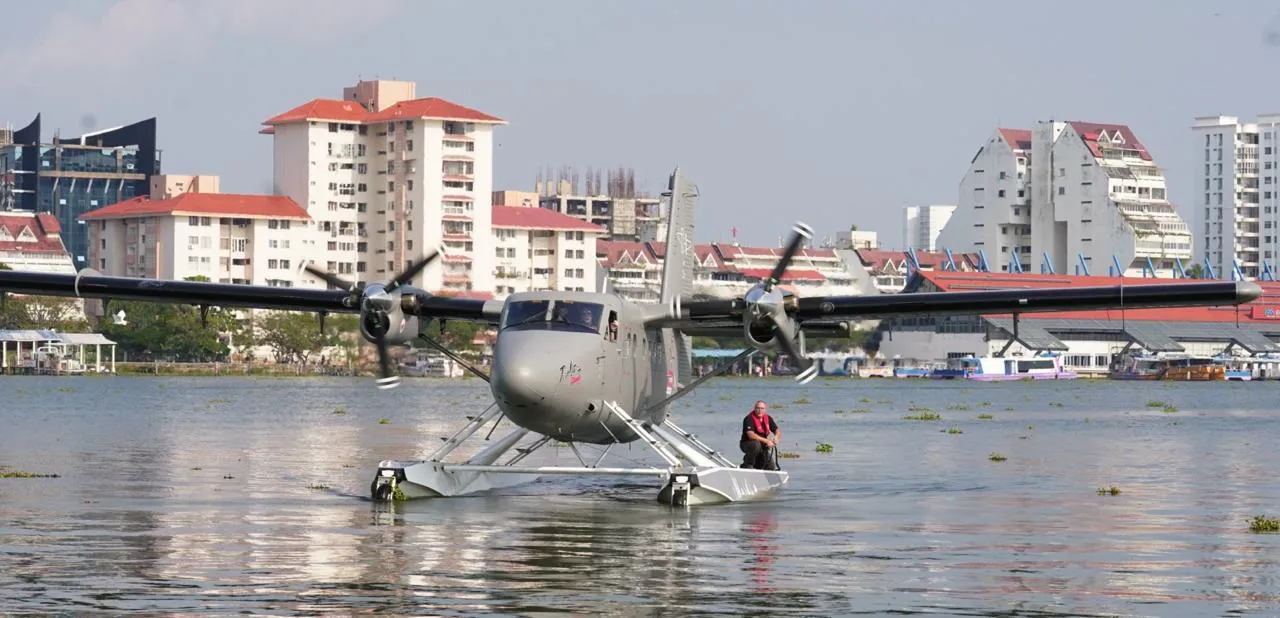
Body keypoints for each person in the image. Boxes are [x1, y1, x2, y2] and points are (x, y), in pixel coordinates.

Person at [740, 400, 780, 470]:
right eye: (758, 408)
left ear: (765, 410)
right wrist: (767, 441)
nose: (760, 410)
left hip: (762, 447)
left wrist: (776, 437)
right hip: (747, 444)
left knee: (770, 467)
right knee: (756, 444)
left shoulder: (768, 418)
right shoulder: (749, 418)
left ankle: (757, 466)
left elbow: (777, 430)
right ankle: (747, 464)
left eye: (762, 408)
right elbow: (750, 435)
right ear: (754, 408)